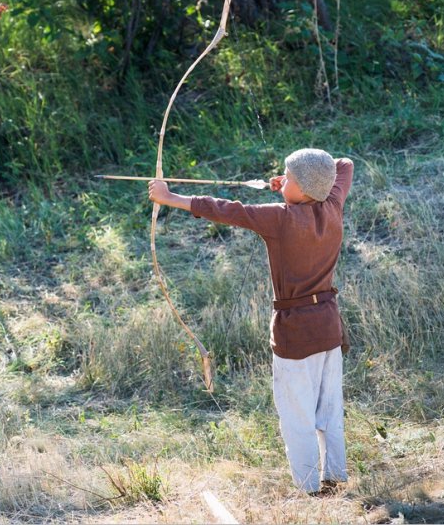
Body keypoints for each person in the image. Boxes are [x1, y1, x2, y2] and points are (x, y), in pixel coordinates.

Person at [148, 149, 353, 494]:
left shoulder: (280, 218)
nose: (281, 180)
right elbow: (344, 164)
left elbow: (229, 210)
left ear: (303, 189)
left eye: (287, 177)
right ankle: (333, 477)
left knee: (297, 415)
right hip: (329, 329)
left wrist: (169, 198)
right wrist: (296, 183)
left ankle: (309, 489)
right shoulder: (332, 202)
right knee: (328, 408)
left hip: (295, 334)